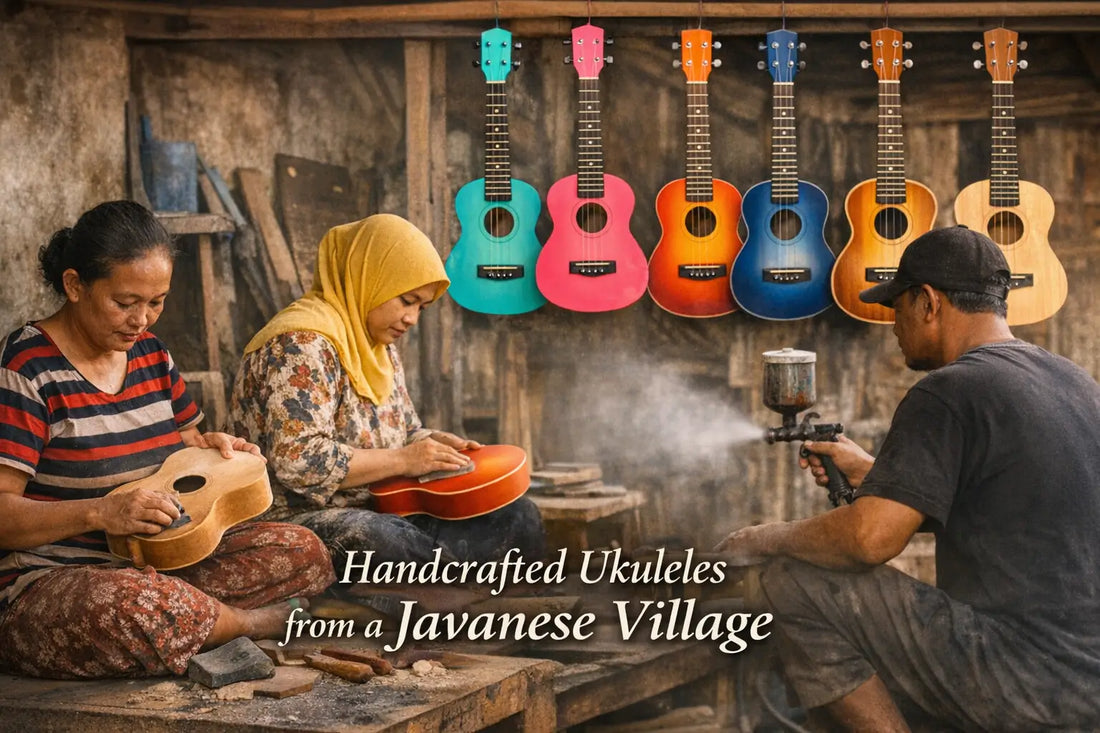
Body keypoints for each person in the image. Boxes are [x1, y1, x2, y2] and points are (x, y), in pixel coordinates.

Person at [716, 226, 1100, 731]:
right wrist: (882, 477)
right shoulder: (1076, 383)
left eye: (896, 308)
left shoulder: (947, 393)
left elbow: (869, 540)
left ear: (927, 302)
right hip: (1083, 680)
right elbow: (1009, 511)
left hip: (1019, 674)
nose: (892, 325)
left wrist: (765, 538)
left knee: (794, 581)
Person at [0, 200, 336, 680]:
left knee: (303, 550)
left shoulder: (152, 356)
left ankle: (195, 624)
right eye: (124, 302)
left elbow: (185, 448)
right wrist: (100, 512)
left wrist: (216, 451)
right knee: (138, 609)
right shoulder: (27, 368)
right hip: (56, 580)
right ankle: (245, 624)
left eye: (156, 302)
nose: (142, 320)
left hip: (162, 562)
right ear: (74, 285)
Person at [227, 213, 545, 586]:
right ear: (369, 277)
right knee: (385, 541)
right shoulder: (301, 344)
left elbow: (403, 429)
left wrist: (430, 443)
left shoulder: (378, 344)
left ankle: (443, 593)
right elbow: (299, 463)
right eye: (407, 300)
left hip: (384, 504)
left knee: (517, 517)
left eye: (421, 308)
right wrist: (405, 459)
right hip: (297, 515)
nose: (411, 319)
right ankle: (448, 595)